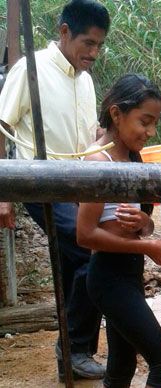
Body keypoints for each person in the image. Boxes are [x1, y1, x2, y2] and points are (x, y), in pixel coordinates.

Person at [0, 0, 110, 381]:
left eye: (99, 46)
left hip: (80, 185)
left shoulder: (86, 78)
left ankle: (71, 353)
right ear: (64, 32)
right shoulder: (30, 69)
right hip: (40, 183)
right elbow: (1, 126)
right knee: (90, 247)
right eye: (88, 43)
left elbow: (86, 138)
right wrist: (2, 195)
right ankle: (76, 348)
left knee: (72, 264)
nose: (93, 53)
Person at [77, 73, 161, 387]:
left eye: (154, 123)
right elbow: (85, 235)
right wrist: (148, 247)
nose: (150, 131)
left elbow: (145, 222)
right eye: (144, 121)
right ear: (117, 114)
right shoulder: (99, 162)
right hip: (108, 277)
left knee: (121, 363)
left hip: (128, 276)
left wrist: (144, 225)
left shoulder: (133, 158)